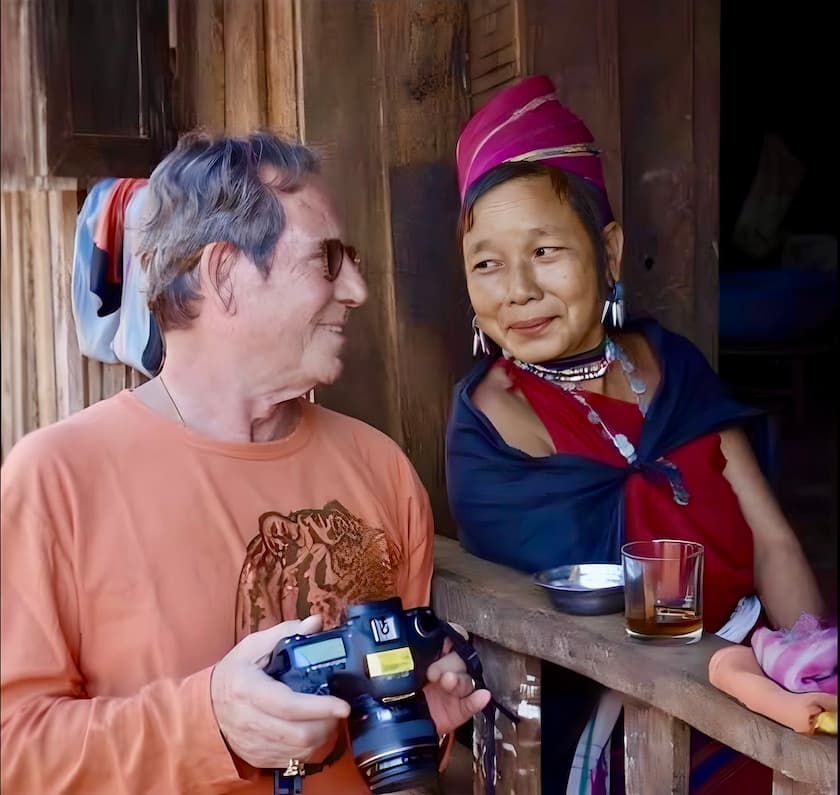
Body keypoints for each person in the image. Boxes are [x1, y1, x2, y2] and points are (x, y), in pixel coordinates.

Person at [0, 130, 490, 795]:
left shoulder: (382, 469)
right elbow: (13, 751)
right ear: (225, 274)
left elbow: (397, 716)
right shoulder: (56, 479)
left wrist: (420, 720)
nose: (357, 289)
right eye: (327, 260)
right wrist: (209, 724)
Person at [445, 75, 825, 794]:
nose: (518, 289)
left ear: (609, 251)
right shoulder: (492, 426)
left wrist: (811, 661)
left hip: (764, 687)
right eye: (487, 263)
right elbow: (578, 634)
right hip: (619, 728)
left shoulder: (671, 367)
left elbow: (772, 541)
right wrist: (738, 687)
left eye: (545, 251)